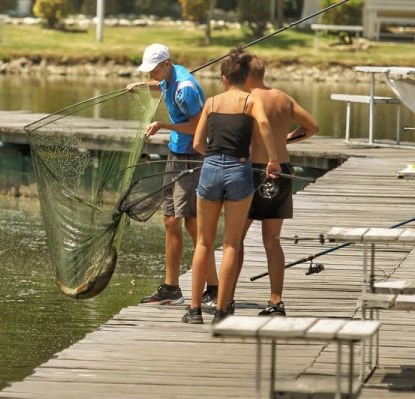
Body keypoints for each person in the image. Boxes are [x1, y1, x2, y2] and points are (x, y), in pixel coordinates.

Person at [181, 48, 280, 324]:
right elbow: (262, 122)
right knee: (231, 244)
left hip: (211, 168)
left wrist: (214, 156)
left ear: (224, 78)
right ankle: (222, 311)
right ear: (245, 77)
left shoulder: (211, 103)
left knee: (203, 241)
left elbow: (198, 143)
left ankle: (194, 309)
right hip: (239, 170)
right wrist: (273, 159)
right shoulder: (250, 101)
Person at [126, 43, 219, 306]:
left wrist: (163, 125)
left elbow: (200, 125)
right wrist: (143, 86)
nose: (150, 75)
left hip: (192, 156)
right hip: (175, 153)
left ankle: (213, 287)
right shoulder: (169, 76)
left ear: (166, 64)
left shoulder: (185, 88)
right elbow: (161, 86)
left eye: (152, 70)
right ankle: (171, 288)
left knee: (191, 223)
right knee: (169, 219)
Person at [235, 54, 319, 317]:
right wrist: (284, 141)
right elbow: (313, 127)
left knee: (235, 238)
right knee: (272, 240)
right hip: (281, 171)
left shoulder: (247, 99)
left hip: (254, 171)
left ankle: (226, 296)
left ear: (246, 76)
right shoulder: (284, 97)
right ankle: (275, 300)